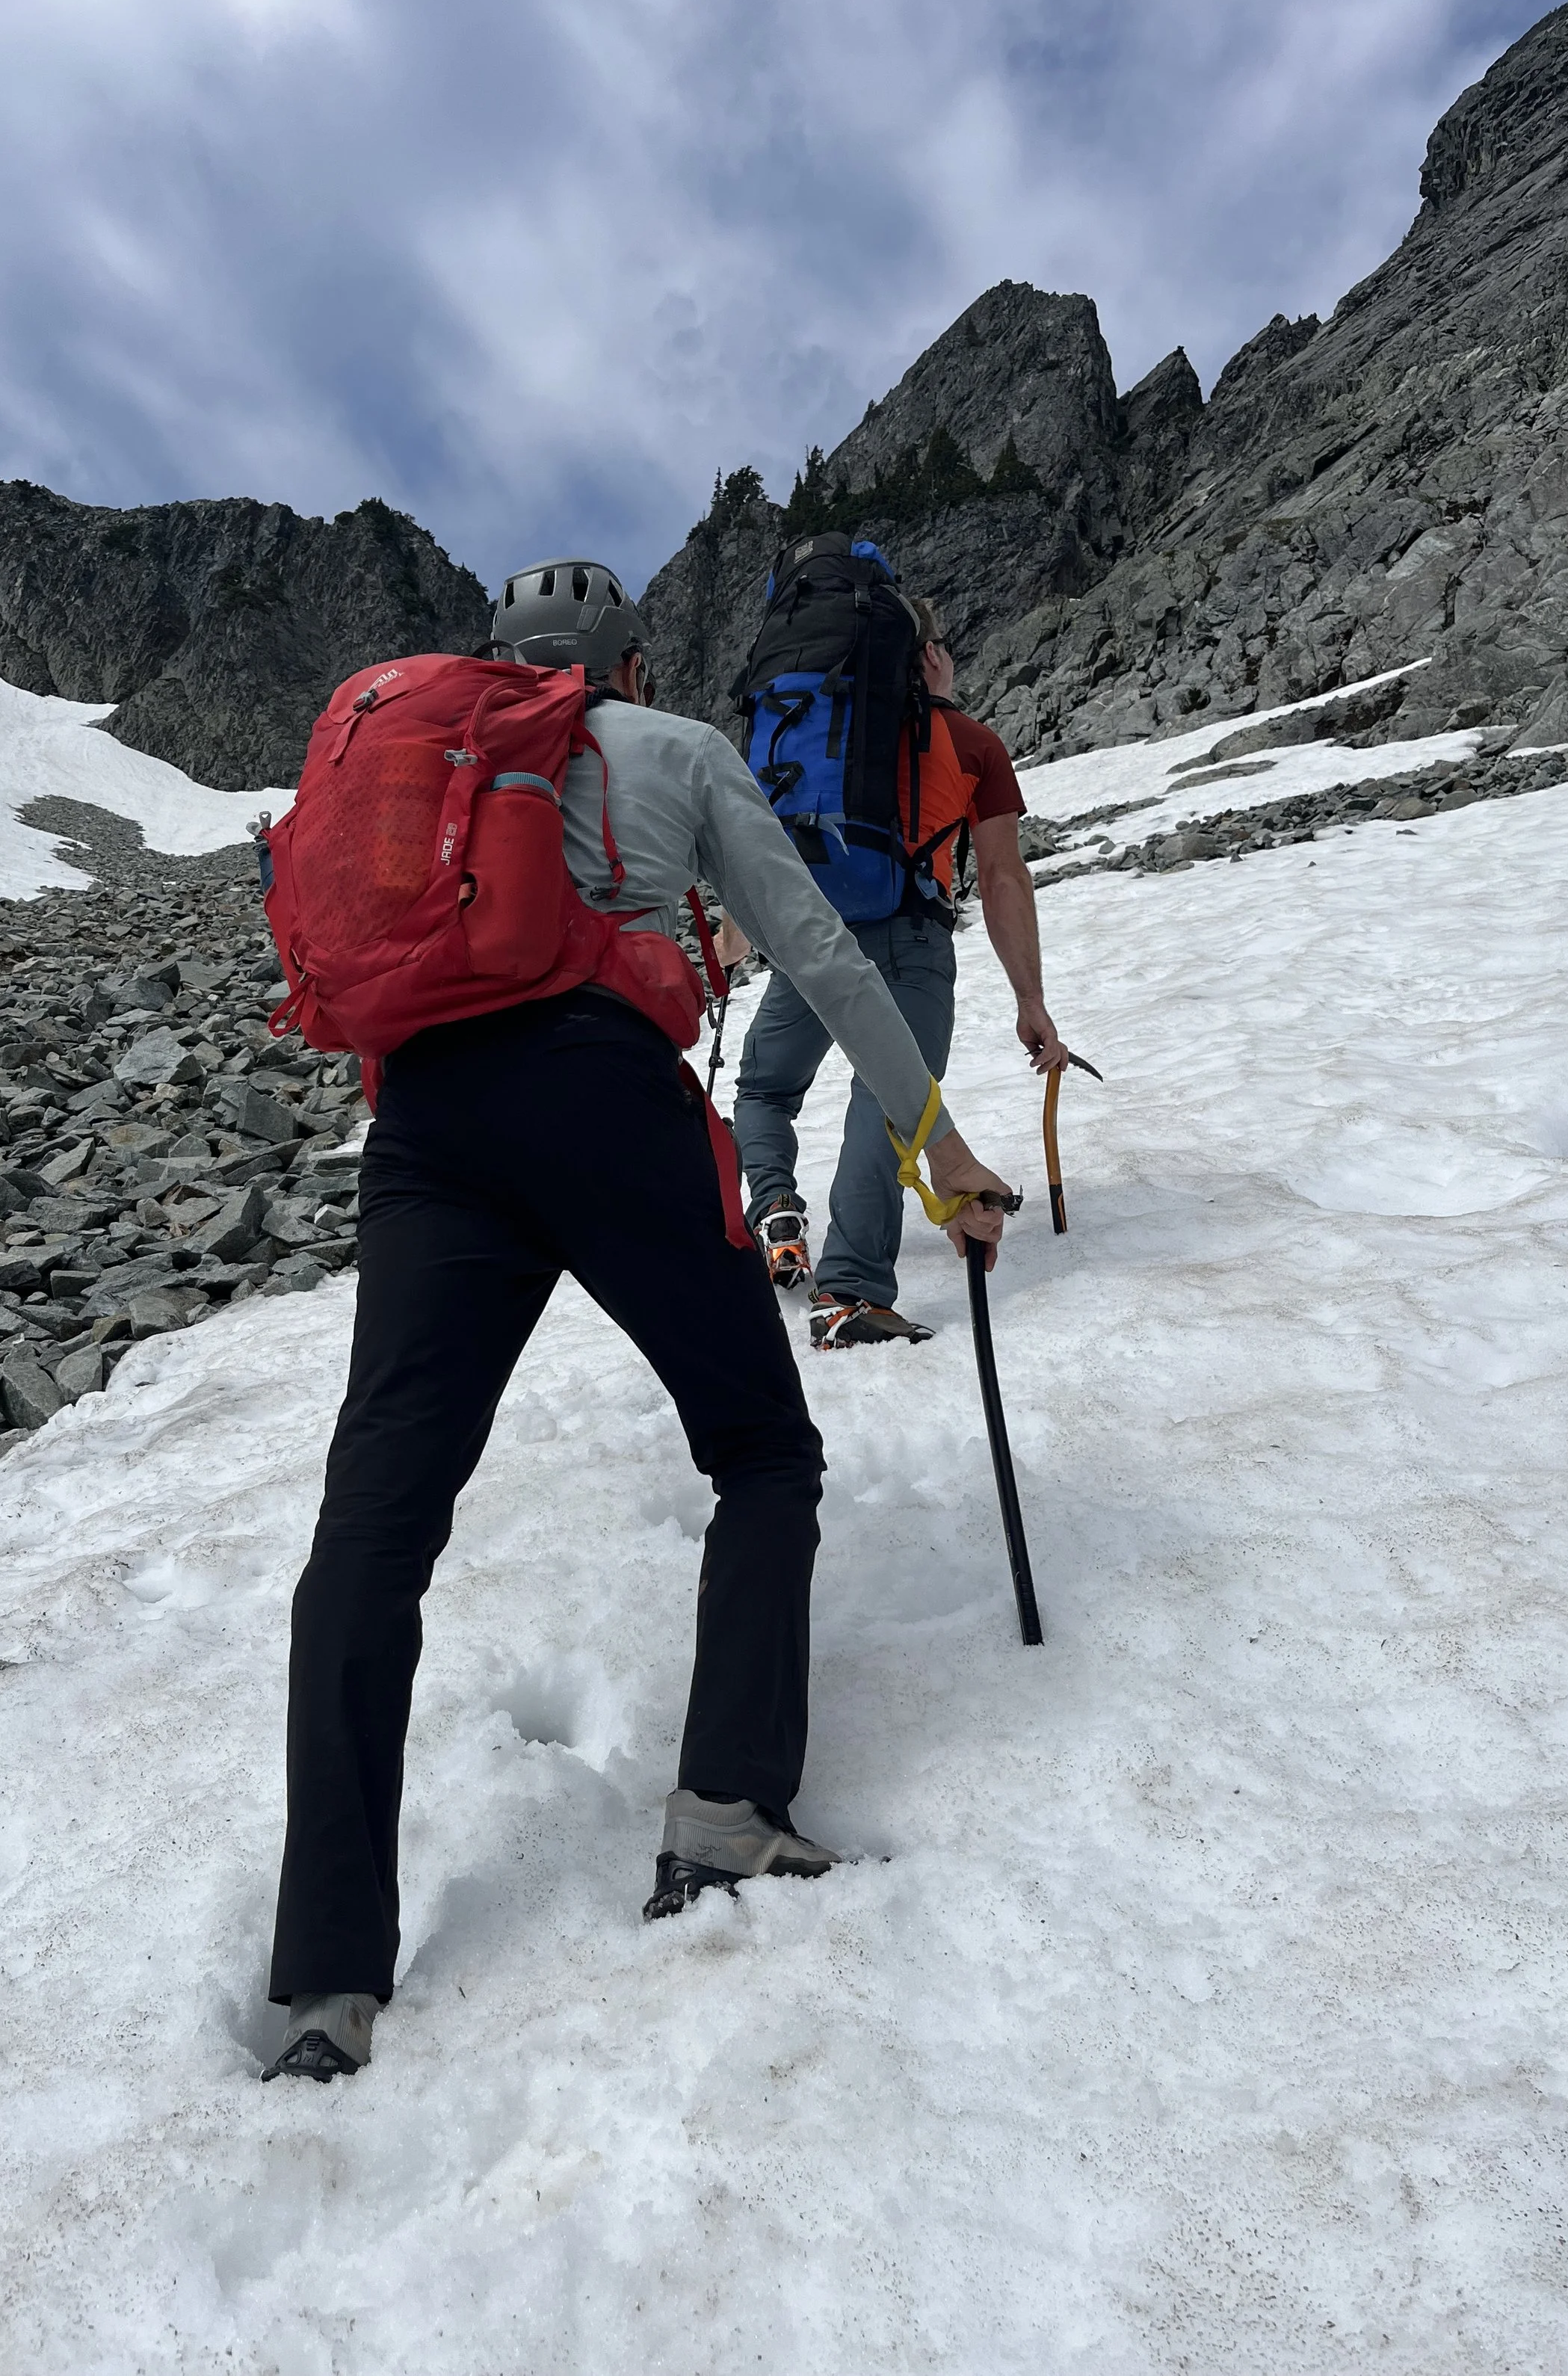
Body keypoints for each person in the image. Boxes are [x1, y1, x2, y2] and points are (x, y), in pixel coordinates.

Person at [264, 561, 1013, 2083]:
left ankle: (326, 1981)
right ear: (634, 665)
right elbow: (815, 944)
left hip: (423, 1137)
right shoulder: (673, 751)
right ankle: (723, 1811)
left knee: (375, 1526)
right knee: (756, 1448)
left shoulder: (438, 770)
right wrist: (933, 1142)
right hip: (604, 1100)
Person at [723, 596, 1067, 1348]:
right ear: (929, 656)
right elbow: (1004, 877)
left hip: (810, 939)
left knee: (764, 1089)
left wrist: (734, 941)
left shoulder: (808, 737)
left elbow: (759, 852)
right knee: (893, 1107)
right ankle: (848, 1295)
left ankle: (775, 1203)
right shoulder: (971, 743)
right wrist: (1030, 998)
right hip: (910, 941)